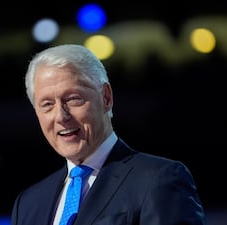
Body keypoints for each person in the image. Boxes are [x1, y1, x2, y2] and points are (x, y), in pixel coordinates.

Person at [11, 44, 206, 225]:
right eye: (47, 105)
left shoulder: (158, 181)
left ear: (106, 97)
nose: (61, 116)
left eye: (73, 99)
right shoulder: (28, 204)